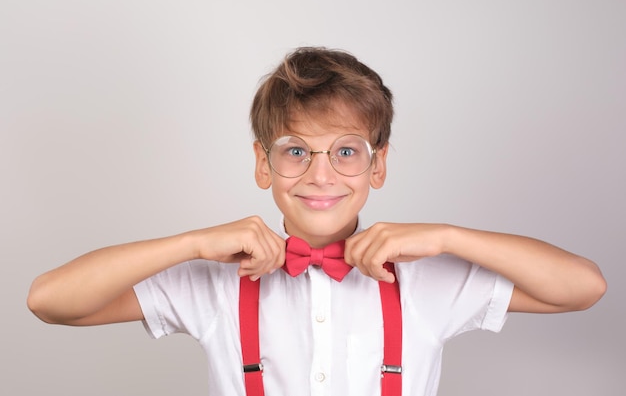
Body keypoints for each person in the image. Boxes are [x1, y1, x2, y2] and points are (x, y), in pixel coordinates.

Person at [27, 47, 606, 396]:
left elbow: (584, 287)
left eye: (347, 151)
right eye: (296, 150)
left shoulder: (426, 280)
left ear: (378, 166)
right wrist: (194, 242)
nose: (321, 175)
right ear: (264, 163)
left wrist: (445, 236)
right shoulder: (218, 281)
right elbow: (50, 300)